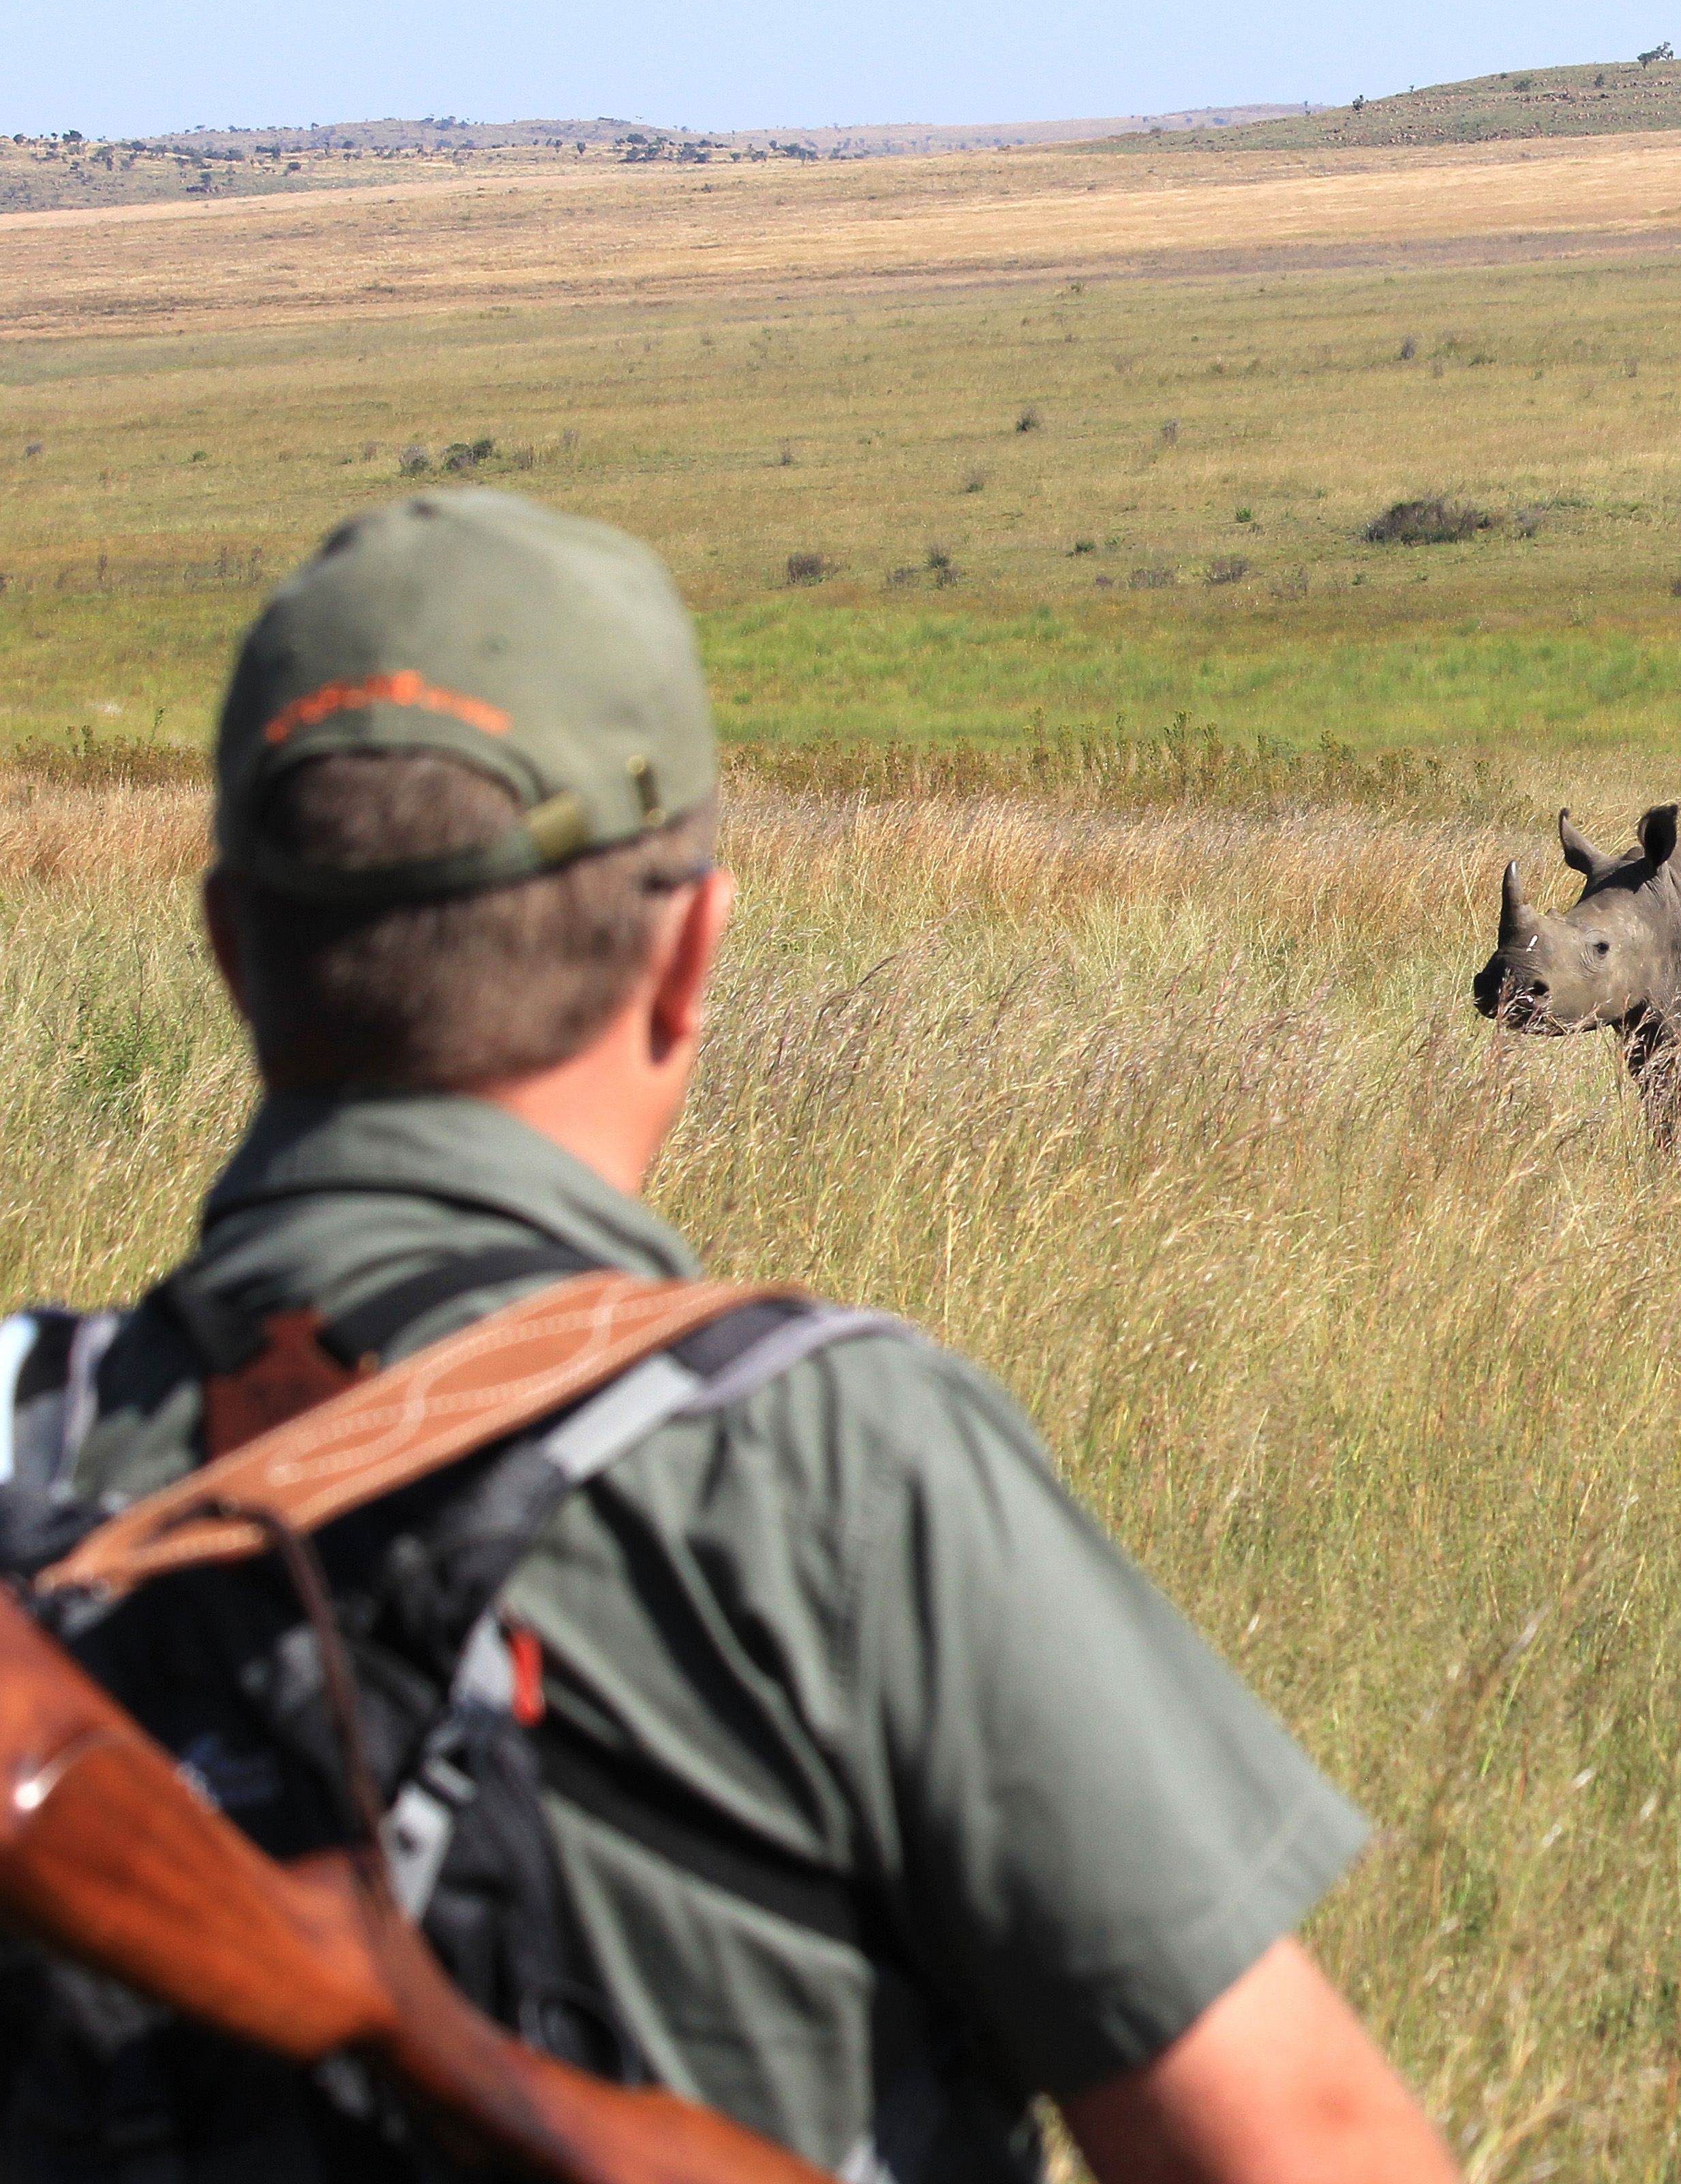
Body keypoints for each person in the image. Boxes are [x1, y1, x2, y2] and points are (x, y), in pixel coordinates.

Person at [37, 490, 1457, 2183]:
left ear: (224, 951)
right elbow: (1304, 2146)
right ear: (691, 953)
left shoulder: (21, 1442)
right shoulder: (834, 1469)